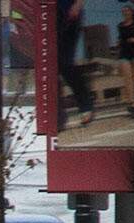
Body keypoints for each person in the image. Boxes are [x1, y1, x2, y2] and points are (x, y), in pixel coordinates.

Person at [57, 0, 95, 131]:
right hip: (45, 14)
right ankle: (58, 117)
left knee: (65, 63)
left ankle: (86, 105)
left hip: (68, 13)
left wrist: (78, 4)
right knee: (50, 67)